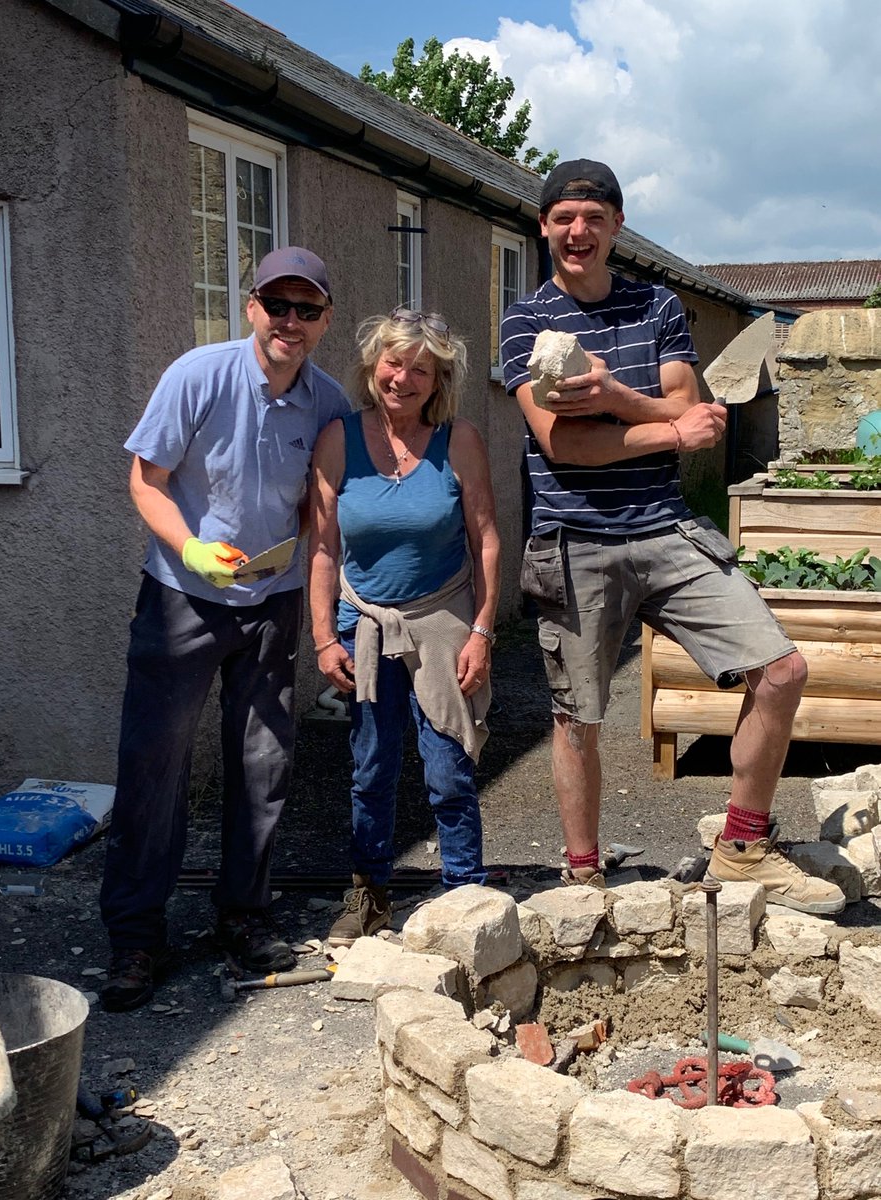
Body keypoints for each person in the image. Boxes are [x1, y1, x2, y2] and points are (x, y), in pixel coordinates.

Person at [500, 159, 845, 916]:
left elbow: (691, 408)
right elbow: (562, 445)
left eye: (593, 217)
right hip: (573, 539)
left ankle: (742, 849)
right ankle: (585, 876)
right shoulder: (525, 321)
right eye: (563, 217)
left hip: (663, 529)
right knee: (577, 716)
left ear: (617, 226)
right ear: (545, 227)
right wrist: (661, 425)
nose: (578, 231)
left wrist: (617, 398)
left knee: (782, 670)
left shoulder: (657, 305)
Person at [99, 247, 350, 1011]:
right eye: (279, 306)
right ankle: (136, 936)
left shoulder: (329, 402)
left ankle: (244, 915)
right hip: (182, 596)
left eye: (307, 310)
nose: (291, 323)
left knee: (264, 769)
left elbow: (324, 507)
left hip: (269, 605)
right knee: (154, 767)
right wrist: (190, 547)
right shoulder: (197, 375)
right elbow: (146, 478)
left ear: (324, 322)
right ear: (253, 309)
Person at [308, 309, 500, 946]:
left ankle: (465, 896)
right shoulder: (338, 439)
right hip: (364, 625)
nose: (403, 377)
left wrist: (482, 632)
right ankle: (369, 898)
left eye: (421, 368)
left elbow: (487, 541)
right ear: (373, 367)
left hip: (444, 623)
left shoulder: (460, 440)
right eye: (394, 362)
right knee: (371, 768)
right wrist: (323, 638)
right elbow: (325, 550)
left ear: (439, 377)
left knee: (448, 767)